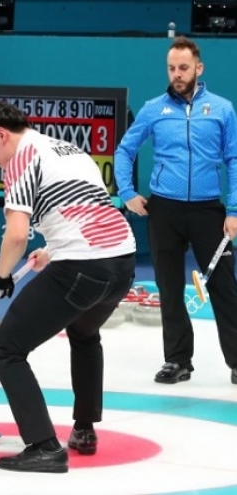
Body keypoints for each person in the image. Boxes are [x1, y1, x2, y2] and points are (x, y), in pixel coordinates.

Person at [0, 101, 136, 473]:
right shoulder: (70, 149)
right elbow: (86, 210)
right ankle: (84, 429)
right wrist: (53, 248)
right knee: (84, 332)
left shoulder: (19, 160)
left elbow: (15, 237)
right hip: (123, 264)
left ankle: (44, 446)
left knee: (7, 349)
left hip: (83, 267)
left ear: (0, 134)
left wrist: (3, 276)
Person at [114, 36, 237, 386]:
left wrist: (234, 209)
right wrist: (127, 193)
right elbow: (125, 150)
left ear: (199, 68)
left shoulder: (223, 108)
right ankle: (178, 361)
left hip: (208, 212)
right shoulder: (154, 108)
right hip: (164, 210)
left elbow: (234, 159)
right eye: (172, 68)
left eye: (183, 67)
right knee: (169, 288)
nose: (177, 74)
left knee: (225, 287)